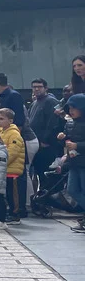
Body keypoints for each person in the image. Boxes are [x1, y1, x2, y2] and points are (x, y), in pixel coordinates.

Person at [56, 94, 85, 232]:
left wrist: (77, 145)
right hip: (73, 162)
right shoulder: (69, 123)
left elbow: (75, 143)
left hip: (82, 162)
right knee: (72, 190)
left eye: (74, 108)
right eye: (70, 108)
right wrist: (63, 138)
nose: (71, 111)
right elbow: (68, 141)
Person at [0, 108, 26, 225]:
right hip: (4, 169)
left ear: (10, 120)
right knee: (6, 194)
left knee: (13, 194)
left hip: (12, 170)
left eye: (1, 119)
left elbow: (12, 153)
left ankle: (15, 214)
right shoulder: (0, 132)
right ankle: (9, 212)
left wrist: (1, 162)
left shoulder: (14, 134)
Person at [29, 79, 61, 189]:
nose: (36, 89)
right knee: (40, 174)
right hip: (36, 144)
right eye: (34, 87)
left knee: (48, 176)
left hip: (46, 145)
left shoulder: (51, 101)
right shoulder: (34, 103)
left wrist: (45, 140)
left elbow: (54, 123)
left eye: (39, 86)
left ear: (46, 88)